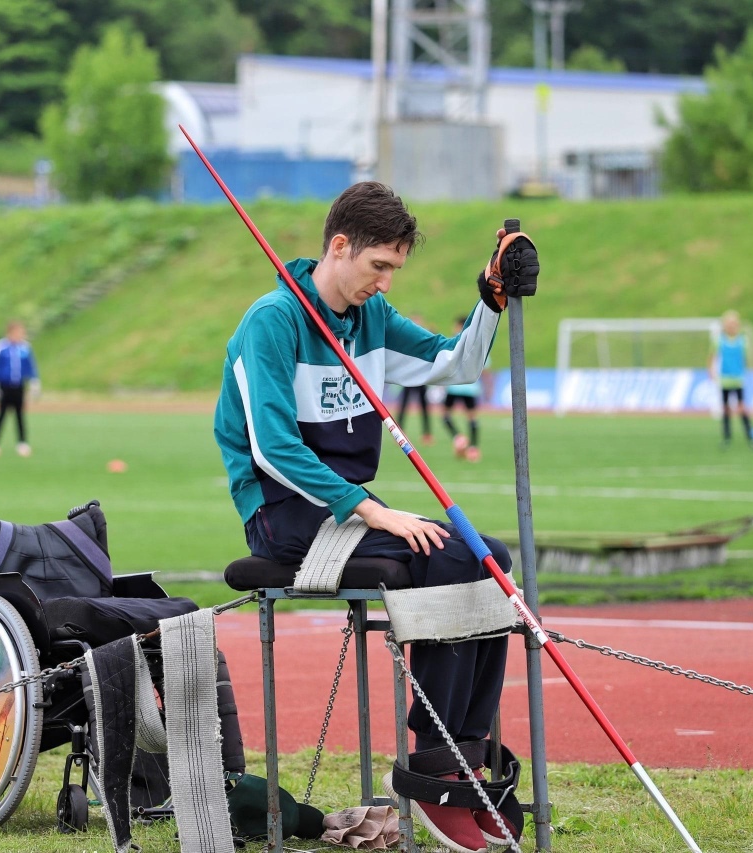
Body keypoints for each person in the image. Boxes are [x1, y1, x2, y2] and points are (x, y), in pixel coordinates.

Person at [213, 181, 538, 852]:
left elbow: (457, 362)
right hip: (282, 515)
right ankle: (433, 765)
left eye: (394, 269)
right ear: (339, 247)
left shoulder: (372, 318)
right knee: (434, 555)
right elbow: (274, 451)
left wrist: (491, 297)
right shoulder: (270, 323)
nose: (385, 282)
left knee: (487, 557)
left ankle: (462, 755)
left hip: (351, 511)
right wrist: (375, 513)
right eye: (378, 267)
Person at [0, 321, 39, 457]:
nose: (20, 335)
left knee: (20, 415)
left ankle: (22, 443)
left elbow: (30, 366)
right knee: (1, 414)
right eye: (17, 332)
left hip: (19, 386)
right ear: (10, 332)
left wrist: (34, 381)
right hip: (4, 386)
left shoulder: (25, 347)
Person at [710, 309, 753, 449]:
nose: (732, 327)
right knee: (726, 409)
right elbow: (711, 357)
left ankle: (750, 436)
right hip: (725, 380)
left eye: (734, 324)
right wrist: (711, 371)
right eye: (729, 324)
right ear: (725, 325)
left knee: (742, 408)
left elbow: (749, 358)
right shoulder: (719, 341)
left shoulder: (742, 341)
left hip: (738, 379)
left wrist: (752, 369)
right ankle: (726, 437)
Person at [441, 316, 484, 463]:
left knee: (445, 415)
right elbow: (484, 365)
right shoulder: (478, 342)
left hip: (454, 386)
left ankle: (458, 437)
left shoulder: (454, 342)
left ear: (460, 326)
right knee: (472, 417)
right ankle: (473, 448)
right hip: (471, 387)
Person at [395, 315, 435, 445]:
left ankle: (427, 433)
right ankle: (399, 433)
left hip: (421, 378)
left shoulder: (422, 338)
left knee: (424, 406)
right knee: (404, 404)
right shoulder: (406, 339)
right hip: (408, 376)